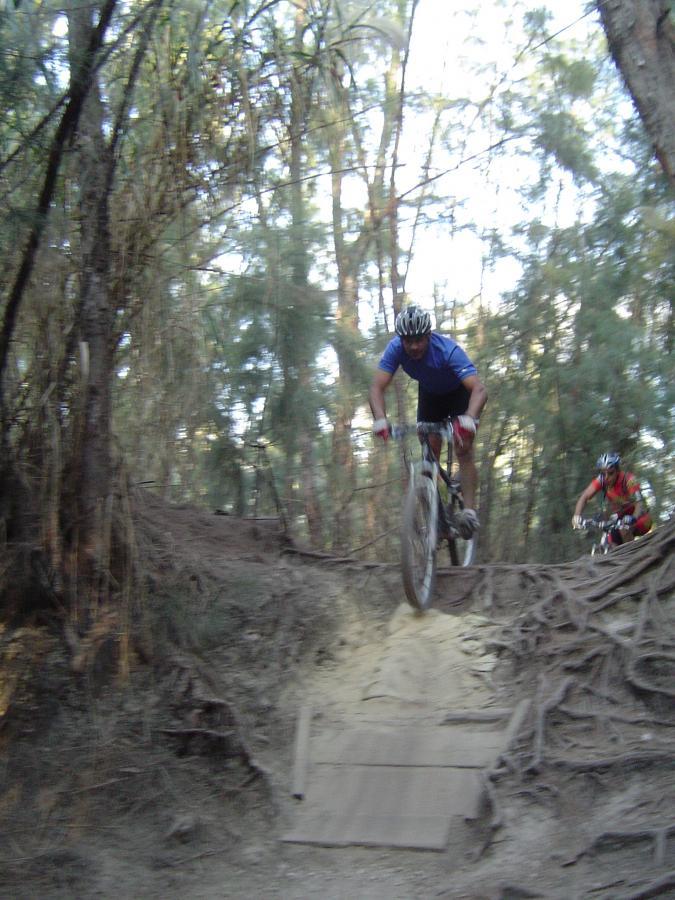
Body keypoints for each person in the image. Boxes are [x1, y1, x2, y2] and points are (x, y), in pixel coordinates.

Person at [369, 304, 488, 537]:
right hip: (431, 396)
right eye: (408, 341)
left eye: (419, 340)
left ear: (429, 336)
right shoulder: (395, 349)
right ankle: (435, 516)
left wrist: (470, 418)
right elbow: (376, 387)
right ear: (401, 339)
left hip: (459, 395)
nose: (413, 346)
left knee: (464, 449)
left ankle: (469, 512)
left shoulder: (448, 351)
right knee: (429, 454)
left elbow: (480, 390)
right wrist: (380, 419)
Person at [572, 452, 653, 546]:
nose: (606, 477)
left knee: (624, 529)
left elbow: (639, 502)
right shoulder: (601, 480)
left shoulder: (629, 479)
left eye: (610, 473)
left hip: (641, 518)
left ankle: (635, 557)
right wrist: (577, 516)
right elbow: (584, 496)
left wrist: (633, 518)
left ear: (618, 471)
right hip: (620, 519)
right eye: (603, 473)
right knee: (610, 543)